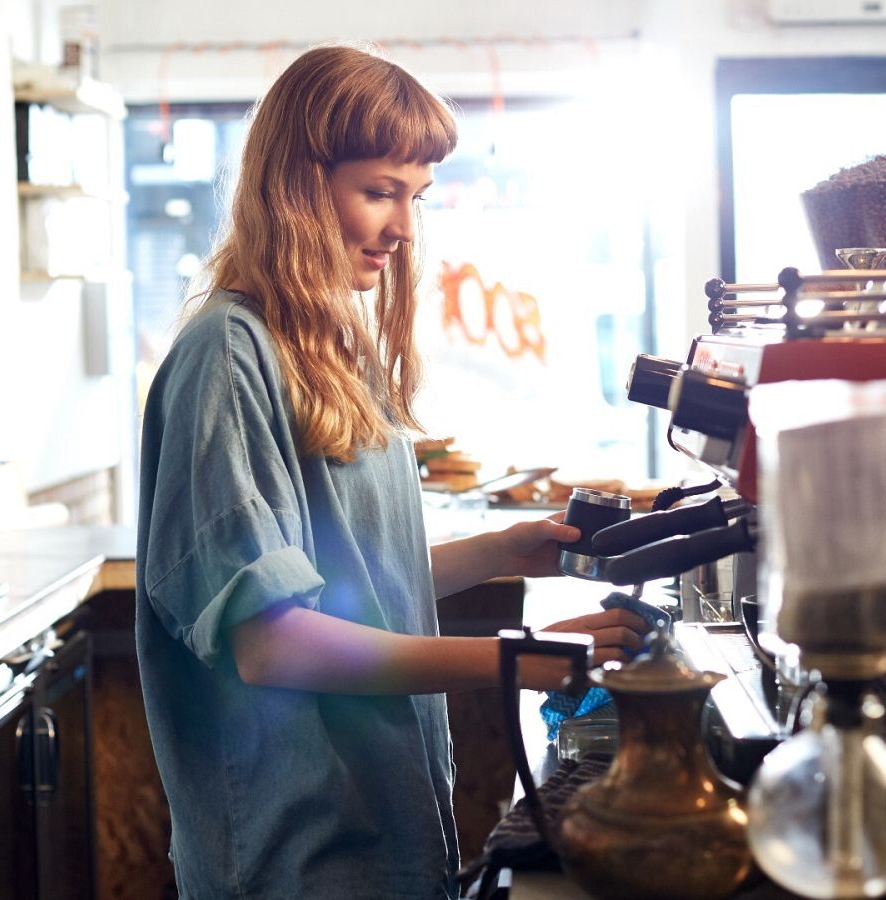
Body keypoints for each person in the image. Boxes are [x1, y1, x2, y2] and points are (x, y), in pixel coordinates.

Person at [135, 44, 647, 900]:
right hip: (292, 856)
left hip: (376, 834)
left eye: (416, 197)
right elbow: (272, 641)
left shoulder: (331, 348)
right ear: (294, 186)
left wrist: (506, 548)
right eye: (380, 192)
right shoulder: (227, 355)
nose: (405, 228)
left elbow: (353, 583)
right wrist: (516, 659)